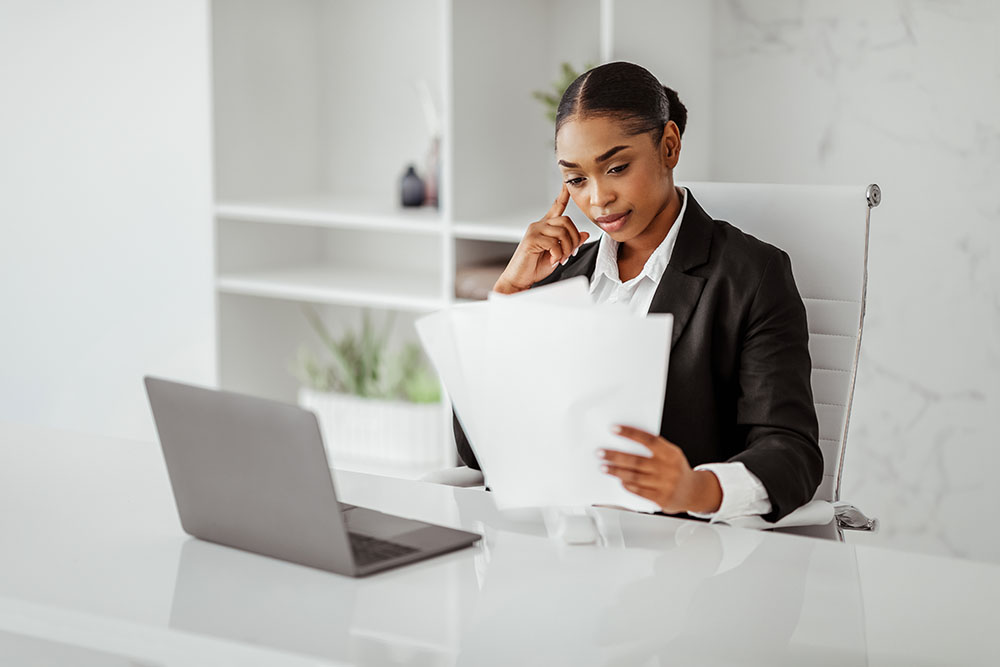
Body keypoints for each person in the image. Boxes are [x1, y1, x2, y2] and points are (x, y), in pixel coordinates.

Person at [455, 61, 821, 523]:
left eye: (617, 167)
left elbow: (793, 453)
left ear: (669, 146)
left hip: (675, 556)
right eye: (576, 179)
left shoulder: (751, 275)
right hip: (548, 549)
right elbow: (475, 452)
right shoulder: (557, 279)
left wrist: (696, 488)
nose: (597, 198)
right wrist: (508, 297)